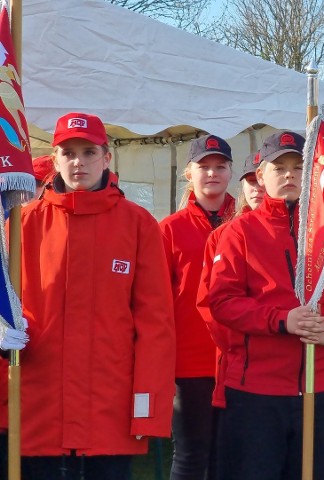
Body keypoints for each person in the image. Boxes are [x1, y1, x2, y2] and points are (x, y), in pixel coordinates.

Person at [19, 112, 175, 479]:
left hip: (109, 407)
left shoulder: (138, 225)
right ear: (55, 159)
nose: (79, 162)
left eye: (88, 152)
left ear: (107, 158)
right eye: (69, 153)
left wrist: (147, 409)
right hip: (39, 407)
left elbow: (156, 325)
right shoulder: (23, 222)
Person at [207, 130, 324, 479]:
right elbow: (222, 301)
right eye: (280, 168)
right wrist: (281, 320)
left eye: (298, 167)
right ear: (260, 175)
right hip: (257, 390)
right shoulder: (240, 232)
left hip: (321, 385)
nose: (290, 175)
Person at [160, 134, 236, 480]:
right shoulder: (169, 230)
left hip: (237, 360)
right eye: (203, 167)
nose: (212, 174)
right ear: (188, 173)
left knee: (228, 453)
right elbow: (157, 298)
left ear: (231, 172)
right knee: (191, 454)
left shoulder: (246, 224)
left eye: (219, 166)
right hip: (189, 363)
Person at [196, 150, 264, 480]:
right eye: (250, 181)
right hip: (232, 361)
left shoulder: (305, 234)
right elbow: (212, 304)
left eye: (260, 178)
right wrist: (240, 344)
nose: (257, 187)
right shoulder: (224, 236)